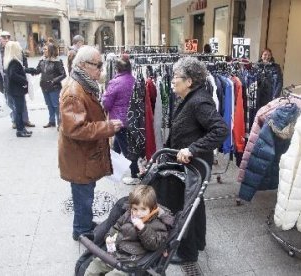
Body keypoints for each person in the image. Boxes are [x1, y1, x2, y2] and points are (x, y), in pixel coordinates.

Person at [167, 57, 228, 263]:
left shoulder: (199, 101)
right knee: (195, 204)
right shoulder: (189, 98)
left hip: (195, 164)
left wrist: (192, 149)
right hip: (190, 163)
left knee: (188, 206)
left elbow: (220, 130)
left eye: (176, 77)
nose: (172, 81)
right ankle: (198, 242)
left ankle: (188, 253)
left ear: (189, 81)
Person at [58, 45, 123, 241]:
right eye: (98, 65)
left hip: (83, 156)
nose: (101, 70)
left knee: (85, 195)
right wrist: (108, 127)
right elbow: (75, 129)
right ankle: (82, 232)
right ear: (84, 65)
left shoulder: (83, 84)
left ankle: (84, 225)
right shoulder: (74, 92)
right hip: (80, 159)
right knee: (83, 197)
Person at [84, 185, 174, 276]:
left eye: (143, 209)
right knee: (94, 265)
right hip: (115, 253)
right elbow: (116, 227)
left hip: (131, 261)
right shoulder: (128, 214)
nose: (138, 213)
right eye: (135, 209)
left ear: (152, 209)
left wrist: (143, 228)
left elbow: (154, 245)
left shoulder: (159, 224)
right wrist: (110, 236)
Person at [101, 55, 139, 185]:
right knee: (118, 144)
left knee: (127, 149)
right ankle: (110, 167)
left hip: (119, 121)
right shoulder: (134, 80)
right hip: (132, 119)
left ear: (116, 69)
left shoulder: (115, 82)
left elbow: (106, 103)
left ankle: (135, 174)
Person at [0, 30, 35, 129]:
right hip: (4, 80)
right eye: (4, 37)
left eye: (8, 37)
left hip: (16, 79)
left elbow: (23, 61)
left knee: (21, 101)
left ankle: (25, 120)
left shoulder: (14, 46)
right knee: (10, 102)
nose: (6, 39)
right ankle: (15, 121)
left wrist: (24, 73)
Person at [26, 42, 66, 128]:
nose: (43, 50)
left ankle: (60, 123)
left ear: (50, 50)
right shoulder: (42, 60)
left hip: (54, 87)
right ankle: (51, 121)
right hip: (44, 86)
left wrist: (53, 81)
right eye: (43, 49)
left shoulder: (57, 61)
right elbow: (37, 71)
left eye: (45, 49)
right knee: (49, 105)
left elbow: (63, 74)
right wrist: (27, 70)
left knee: (56, 105)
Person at [4, 41, 32, 138]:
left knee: (19, 110)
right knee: (19, 111)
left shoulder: (11, 61)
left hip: (15, 90)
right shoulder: (14, 61)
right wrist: (24, 81)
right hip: (17, 90)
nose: (21, 50)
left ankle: (22, 129)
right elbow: (13, 75)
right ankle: (20, 130)